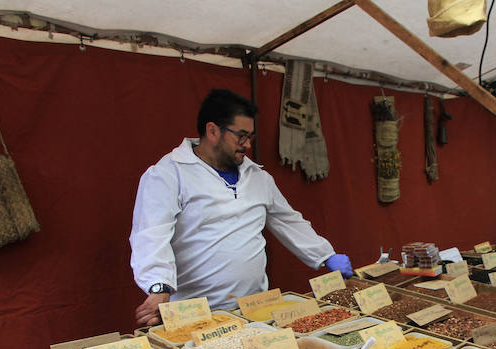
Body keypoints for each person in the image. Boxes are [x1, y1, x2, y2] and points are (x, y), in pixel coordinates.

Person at [130, 89, 352, 326]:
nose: (247, 144)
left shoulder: (258, 177)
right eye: (241, 136)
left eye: (251, 137)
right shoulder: (169, 174)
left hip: (256, 307)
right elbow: (151, 235)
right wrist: (159, 285)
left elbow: (288, 221)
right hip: (196, 314)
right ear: (213, 130)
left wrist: (325, 254)